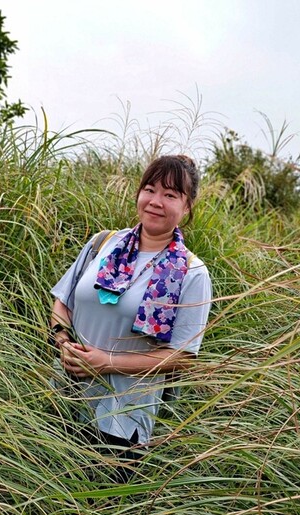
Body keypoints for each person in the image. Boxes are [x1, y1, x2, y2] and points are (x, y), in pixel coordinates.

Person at [49, 155, 212, 481]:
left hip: (122, 419)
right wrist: (62, 342)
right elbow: (62, 302)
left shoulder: (192, 273)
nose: (155, 201)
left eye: (170, 195)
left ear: (187, 207)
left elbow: (181, 357)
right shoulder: (103, 244)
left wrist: (106, 361)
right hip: (64, 397)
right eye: (150, 189)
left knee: (97, 513)